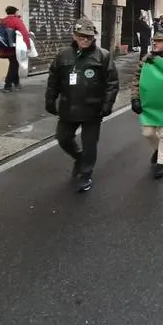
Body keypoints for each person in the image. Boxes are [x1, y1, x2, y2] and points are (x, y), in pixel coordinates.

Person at [45, 17, 119, 193]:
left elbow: (112, 83)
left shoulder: (103, 56)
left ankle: (86, 173)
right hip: (68, 107)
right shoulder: (63, 55)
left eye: (89, 37)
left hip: (93, 109)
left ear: (94, 38)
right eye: (81, 36)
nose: (85, 40)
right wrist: (50, 99)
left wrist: (107, 104)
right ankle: (79, 158)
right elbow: (53, 79)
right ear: (74, 35)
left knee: (90, 144)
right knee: (63, 138)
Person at [131, 31, 163, 179]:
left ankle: (161, 163)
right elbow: (137, 79)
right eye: (154, 41)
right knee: (147, 132)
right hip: (150, 103)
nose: (155, 43)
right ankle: (159, 149)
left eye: (159, 41)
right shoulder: (147, 59)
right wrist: (135, 98)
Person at [0, 5, 31, 93]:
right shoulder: (16, 21)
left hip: (4, 48)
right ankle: (7, 86)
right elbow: (24, 34)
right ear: (15, 12)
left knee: (14, 64)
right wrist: (28, 47)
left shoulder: (3, 21)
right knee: (14, 66)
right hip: (14, 49)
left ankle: (17, 84)